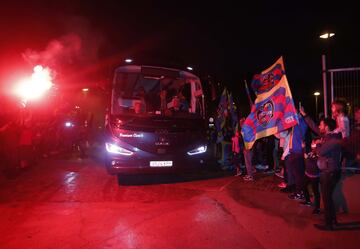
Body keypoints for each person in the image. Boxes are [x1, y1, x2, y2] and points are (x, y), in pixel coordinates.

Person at [300, 107, 342, 230]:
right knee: (328, 198)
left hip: (330, 172)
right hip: (328, 171)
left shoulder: (333, 139)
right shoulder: (328, 136)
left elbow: (321, 150)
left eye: (322, 125)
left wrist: (316, 145)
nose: (319, 126)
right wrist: (305, 115)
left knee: (327, 199)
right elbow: (314, 127)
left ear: (327, 127)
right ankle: (333, 221)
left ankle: (329, 224)